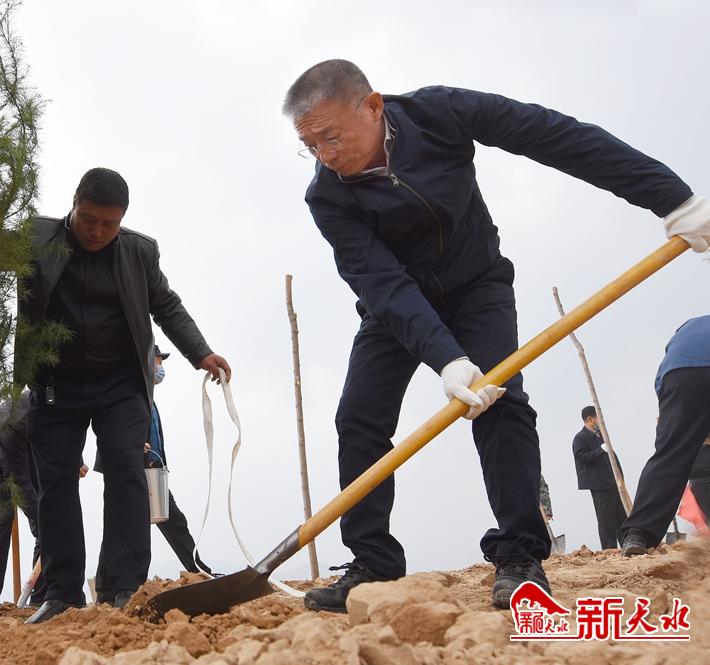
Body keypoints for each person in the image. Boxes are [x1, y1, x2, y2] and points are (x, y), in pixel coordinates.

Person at [281, 59, 710, 611]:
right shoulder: (327, 197)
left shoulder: (441, 113)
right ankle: (373, 564)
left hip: (477, 286)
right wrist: (445, 357)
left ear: (372, 106)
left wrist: (672, 197)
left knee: (501, 402)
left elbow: (555, 137)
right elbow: (382, 283)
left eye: (331, 137)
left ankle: (520, 556)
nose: (325, 156)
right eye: (310, 146)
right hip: (396, 308)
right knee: (358, 418)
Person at [17, 168, 230, 623]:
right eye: (89, 219)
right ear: (74, 204)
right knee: (54, 482)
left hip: (120, 383)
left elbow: (166, 305)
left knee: (126, 473)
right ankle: (61, 594)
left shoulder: (139, 251)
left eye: (109, 224)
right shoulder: (36, 237)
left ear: (122, 220)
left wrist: (200, 352)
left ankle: (122, 588)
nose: (97, 231)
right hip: (55, 384)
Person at [94, 345, 212, 605]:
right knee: (122, 523)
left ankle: (197, 570)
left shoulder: (148, 398)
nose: (160, 368)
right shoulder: (126, 394)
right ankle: (108, 588)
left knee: (167, 520)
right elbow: (109, 427)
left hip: (151, 470)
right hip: (128, 466)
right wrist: (133, 443)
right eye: (158, 362)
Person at [621, 316, 710, 556]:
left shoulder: (683, 337)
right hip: (679, 371)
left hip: (679, 375)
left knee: (669, 456)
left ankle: (638, 534)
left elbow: (662, 385)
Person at [0, 390, 45, 608]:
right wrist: (41, 515)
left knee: (45, 525)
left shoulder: (53, 405)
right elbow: (19, 482)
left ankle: (41, 597)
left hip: (24, 456)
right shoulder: (16, 421)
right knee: (1, 520)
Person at [572, 406, 626, 550]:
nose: (601, 421)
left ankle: (626, 543)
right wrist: (600, 450)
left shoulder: (601, 435)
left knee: (620, 515)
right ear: (590, 419)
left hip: (612, 481)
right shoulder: (580, 438)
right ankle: (609, 549)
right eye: (598, 418)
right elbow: (581, 457)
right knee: (605, 518)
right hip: (599, 483)